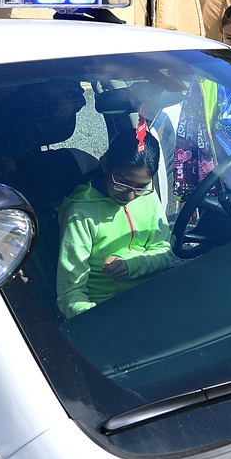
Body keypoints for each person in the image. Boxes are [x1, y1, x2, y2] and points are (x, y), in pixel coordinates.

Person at [56, 129, 173, 319]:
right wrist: (97, 321)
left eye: (140, 187)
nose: (130, 196)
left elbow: (165, 252)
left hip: (152, 297)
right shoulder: (81, 213)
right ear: (105, 165)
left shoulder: (148, 196)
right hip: (107, 310)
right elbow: (70, 294)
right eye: (121, 183)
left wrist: (132, 265)